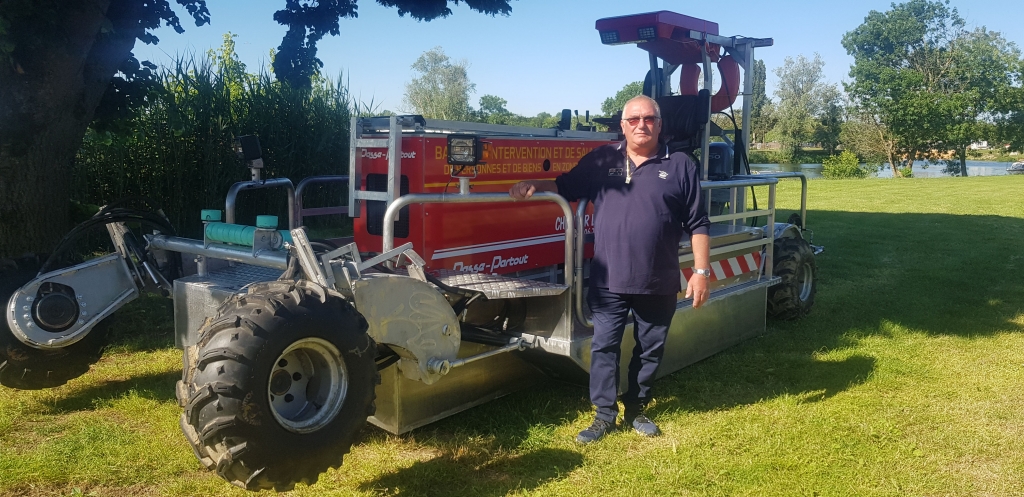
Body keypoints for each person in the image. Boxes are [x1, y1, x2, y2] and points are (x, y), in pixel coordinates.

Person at [509, 95, 711, 444]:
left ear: (659, 124)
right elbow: (565, 186)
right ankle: (604, 415)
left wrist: (702, 272)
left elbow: (698, 223)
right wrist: (533, 186)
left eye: (648, 118)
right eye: (633, 119)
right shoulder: (603, 159)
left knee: (650, 348)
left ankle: (637, 409)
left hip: (658, 279)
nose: (641, 124)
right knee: (604, 347)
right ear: (622, 125)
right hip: (608, 279)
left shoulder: (680, 165)